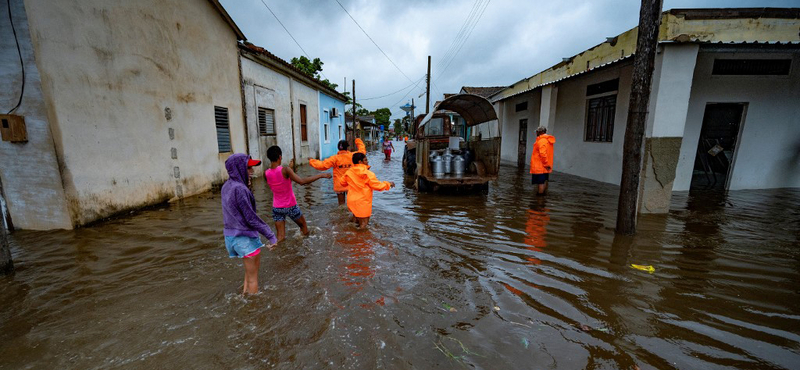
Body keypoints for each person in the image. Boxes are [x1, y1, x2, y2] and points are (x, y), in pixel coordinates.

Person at [221, 154, 277, 295]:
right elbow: (251, 218)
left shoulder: (226, 186)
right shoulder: (240, 189)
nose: (252, 171)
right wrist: (271, 236)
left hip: (231, 238)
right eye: (248, 168)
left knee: (248, 276)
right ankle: (253, 309)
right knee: (253, 279)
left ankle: (244, 297)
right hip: (244, 238)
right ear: (238, 168)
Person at [265, 146, 331, 242]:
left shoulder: (266, 173)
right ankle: (306, 247)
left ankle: (277, 252)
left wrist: (290, 170)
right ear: (280, 157)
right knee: (304, 228)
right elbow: (301, 181)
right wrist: (321, 175)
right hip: (290, 206)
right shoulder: (286, 170)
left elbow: (279, 182)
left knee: (280, 237)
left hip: (276, 208)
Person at [339, 152, 395, 228]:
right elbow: (378, 186)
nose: (367, 161)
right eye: (365, 160)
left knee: (355, 219)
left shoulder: (349, 172)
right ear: (360, 162)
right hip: (362, 202)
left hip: (351, 200)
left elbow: (342, 183)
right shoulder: (368, 173)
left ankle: (349, 234)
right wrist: (388, 184)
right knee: (364, 224)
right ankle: (360, 238)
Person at [309, 138, 366, 205]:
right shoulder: (353, 156)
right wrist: (357, 140)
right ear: (347, 147)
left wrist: (312, 161)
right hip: (351, 184)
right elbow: (362, 151)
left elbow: (322, 166)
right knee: (352, 204)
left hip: (340, 184)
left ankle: (341, 215)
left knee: (341, 205)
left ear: (338, 148)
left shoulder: (334, 158)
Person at [530, 126, 556, 195]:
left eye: (537, 131)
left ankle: (540, 198)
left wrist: (545, 164)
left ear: (540, 132)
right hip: (545, 166)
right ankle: (542, 197)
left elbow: (542, 154)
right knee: (543, 181)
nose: (536, 133)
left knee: (540, 182)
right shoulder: (547, 140)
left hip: (540, 166)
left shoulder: (542, 141)